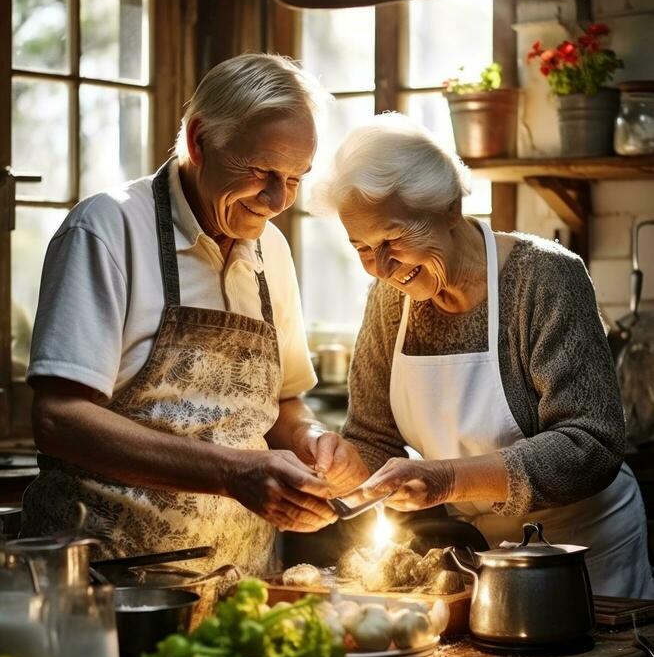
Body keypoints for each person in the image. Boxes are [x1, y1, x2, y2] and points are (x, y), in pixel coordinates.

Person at [23, 53, 367, 574]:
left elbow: (284, 404)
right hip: (109, 585)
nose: (278, 200)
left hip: (240, 587)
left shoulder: (270, 250)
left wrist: (311, 441)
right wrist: (232, 472)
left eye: (296, 179)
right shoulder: (108, 229)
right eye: (261, 171)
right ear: (199, 140)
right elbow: (59, 419)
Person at [320, 113, 653, 598]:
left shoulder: (545, 278)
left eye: (392, 239)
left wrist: (448, 480)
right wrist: (340, 468)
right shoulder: (389, 298)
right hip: (485, 557)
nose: (383, 267)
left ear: (449, 208)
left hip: (584, 551)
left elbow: (591, 444)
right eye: (362, 247)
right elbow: (373, 436)